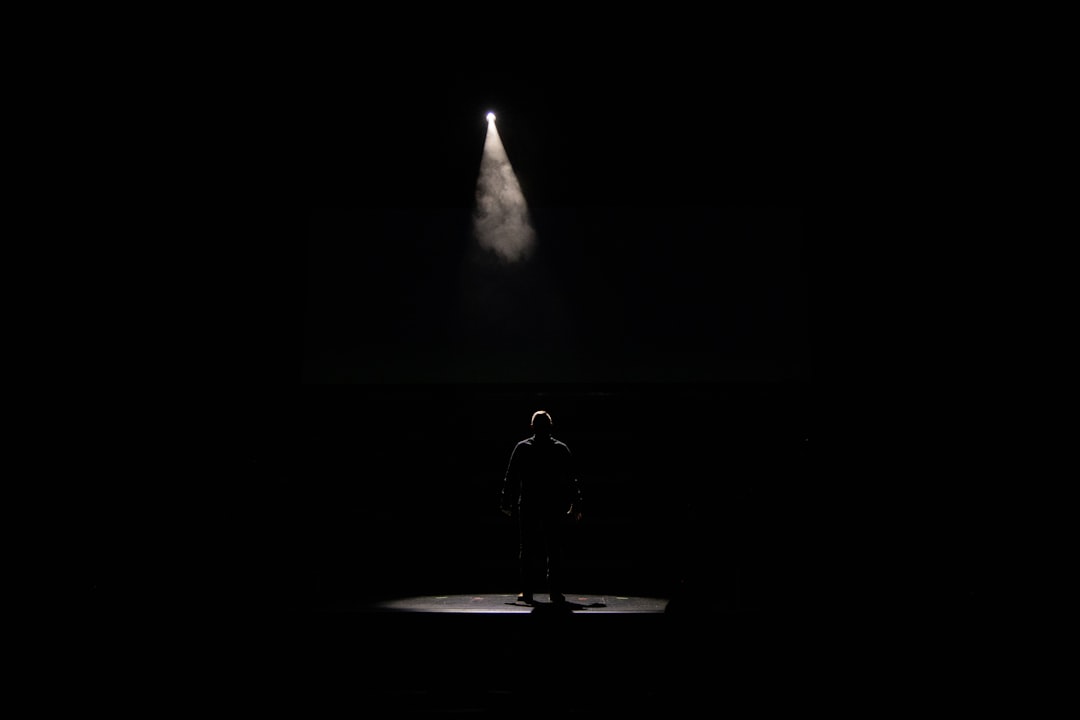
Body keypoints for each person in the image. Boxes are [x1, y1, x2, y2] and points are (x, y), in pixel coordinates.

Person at [500, 410, 583, 604]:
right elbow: (572, 480)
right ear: (550, 426)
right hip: (550, 505)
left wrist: (506, 501)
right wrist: (576, 503)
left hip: (530, 503)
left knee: (530, 548)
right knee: (553, 548)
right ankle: (553, 591)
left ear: (532, 427)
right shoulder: (560, 448)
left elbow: (510, 477)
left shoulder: (523, 447)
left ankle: (528, 590)